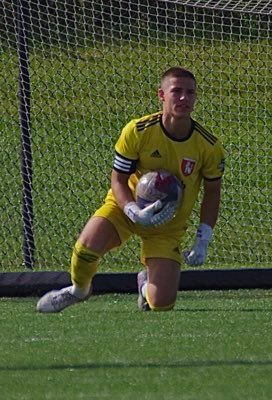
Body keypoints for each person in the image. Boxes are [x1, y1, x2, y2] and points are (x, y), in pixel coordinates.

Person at [36, 66, 225, 313]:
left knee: (162, 304)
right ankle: (77, 291)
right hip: (124, 208)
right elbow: (118, 179)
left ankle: (145, 283)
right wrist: (133, 210)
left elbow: (213, 191)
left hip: (168, 225)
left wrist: (203, 240)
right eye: (176, 91)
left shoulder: (208, 146)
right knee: (85, 249)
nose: (183, 98)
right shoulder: (137, 131)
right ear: (161, 95)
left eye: (190, 93)